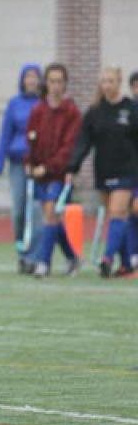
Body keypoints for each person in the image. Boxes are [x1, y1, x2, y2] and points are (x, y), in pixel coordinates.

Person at [66, 67, 138, 277]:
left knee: (118, 212)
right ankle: (126, 264)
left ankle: (107, 258)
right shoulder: (95, 112)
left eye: (111, 81)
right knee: (117, 216)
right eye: (104, 81)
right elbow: (83, 142)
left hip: (127, 170)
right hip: (104, 171)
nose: (107, 85)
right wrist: (73, 166)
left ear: (119, 82)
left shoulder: (131, 109)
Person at [24, 64, 82, 278]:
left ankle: (43, 263)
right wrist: (29, 163)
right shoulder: (38, 110)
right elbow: (30, 139)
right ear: (46, 83)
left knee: (50, 213)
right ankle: (72, 258)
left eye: (59, 81)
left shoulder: (72, 112)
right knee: (53, 219)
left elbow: (68, 146)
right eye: (52, 81)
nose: (55, 86)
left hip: (59, 174)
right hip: (39, 174)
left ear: (65, 84)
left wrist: (47, 168)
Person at [0, 62, 43, 272]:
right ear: (22, 80)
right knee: (20, 211)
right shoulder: (14, 104)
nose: (31, 80)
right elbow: (6, 133)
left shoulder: (43, 104)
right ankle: (21, 251)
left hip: (39, 164)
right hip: (17, 164)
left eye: (35, 76)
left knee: (36, 211)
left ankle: (33, 256)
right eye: (27, 76)